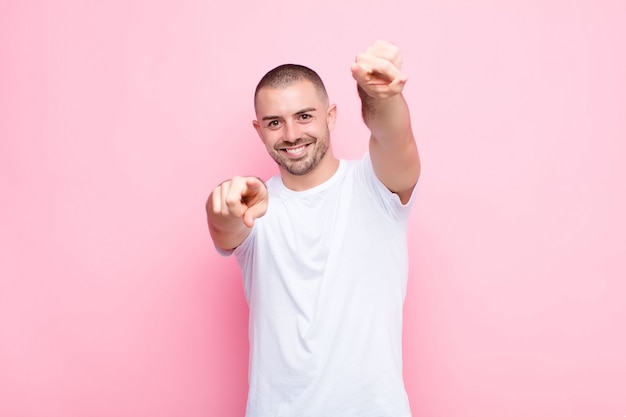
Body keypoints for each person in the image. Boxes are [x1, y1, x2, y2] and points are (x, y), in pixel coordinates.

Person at [206, 40, 420, 417]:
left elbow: (394, 137)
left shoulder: (376, 186)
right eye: (275, 122)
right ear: (260, 130)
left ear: (331, 116)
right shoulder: (254, 205)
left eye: (304, 116)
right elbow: (224, 228)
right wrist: (221, 207)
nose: (290, 134)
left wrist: (380, 97)